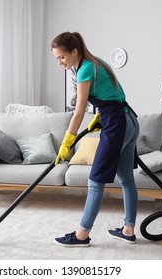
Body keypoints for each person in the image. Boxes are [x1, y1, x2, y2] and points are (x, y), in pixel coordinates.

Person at [51, 31, 140, 247]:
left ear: (74, 51)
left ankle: (81, 235)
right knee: (127, 179)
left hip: (117, 124)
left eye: (62, 57)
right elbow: (113, 94)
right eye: (57, 59)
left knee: (95, 182)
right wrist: (100, 115)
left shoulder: (84, 69)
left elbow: (78, 112)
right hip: (129, 120)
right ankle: (128, 229)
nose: (60, 63)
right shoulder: (96, 62)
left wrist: (67, 142)